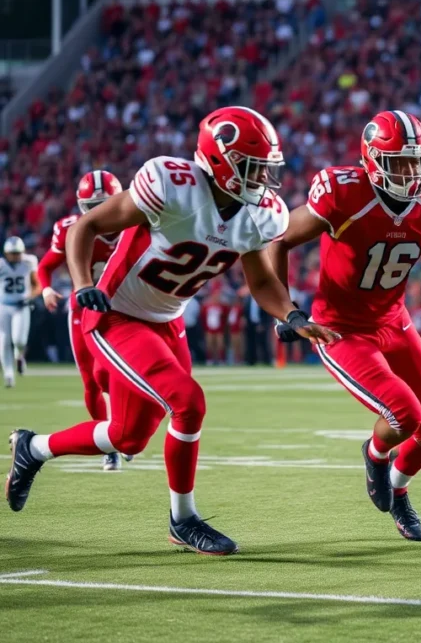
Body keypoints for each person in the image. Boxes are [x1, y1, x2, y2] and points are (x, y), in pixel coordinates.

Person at [4, 106, 338, 555]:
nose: (262, 179)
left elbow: (260, 280)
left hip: (168, 317)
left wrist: (292, 315)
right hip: (118, 313)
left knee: (128, 436)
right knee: (189, 403)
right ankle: (183, 520)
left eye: (265, 169)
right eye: (251, 168)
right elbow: (89, 224)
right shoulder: (170, 185)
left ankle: (33, 447)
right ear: (219, 160)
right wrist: (83, 284)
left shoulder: (259, 214)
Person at [268, 110, 421, 542]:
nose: (410, 173)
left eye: (417, 162)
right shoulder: (343, 193)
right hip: (341, 329)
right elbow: (278, 241)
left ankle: (400, 491)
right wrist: (288, 311)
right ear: (371, 159)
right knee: (405, 414)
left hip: (394, 321)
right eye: (399, 162)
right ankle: (375, 454)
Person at [37, 170, 124, 469]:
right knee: (92, 380)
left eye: (106, 203)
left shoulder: (137, 223)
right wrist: (47, 289)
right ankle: (108, 443)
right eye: (93, 205)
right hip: (83, 308)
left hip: (126, 308)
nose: (100, 212)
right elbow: (46, 266)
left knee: (116, 375)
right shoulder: (70, 228)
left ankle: (127, 430)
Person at [1, 236, 40, 388]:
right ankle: (9, 374)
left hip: (22, 306)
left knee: (19, 340)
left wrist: (30, 297)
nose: (16, 256)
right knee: (3, 341)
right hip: (3, 306)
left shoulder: (28, 262)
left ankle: (19, 356)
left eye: (18, 253)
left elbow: (37, 284)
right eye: (13, 253)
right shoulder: (1, 265)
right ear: (6, 253)